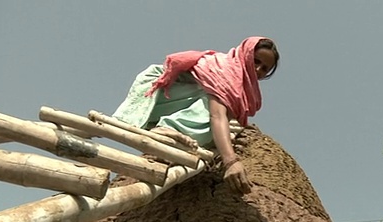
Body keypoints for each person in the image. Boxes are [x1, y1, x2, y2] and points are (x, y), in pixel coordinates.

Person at [112, 36, 280, 195]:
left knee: (219, 117)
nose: (258, 69)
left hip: (175, 96)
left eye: (265, 68)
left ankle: (174, 128)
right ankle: (169, 128)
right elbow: (217, 116)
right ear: (246, 54)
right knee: (213, 112)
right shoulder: (228, 70)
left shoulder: (242, 86)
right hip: (159, 88)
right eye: (256, 61)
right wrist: (231, 161)